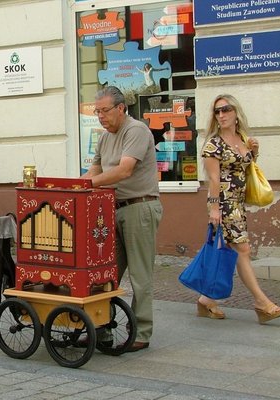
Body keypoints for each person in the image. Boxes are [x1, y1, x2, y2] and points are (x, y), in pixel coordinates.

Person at [82, 86, 162, 352]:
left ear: (120, 108)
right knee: (105, 274)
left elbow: (124, 170)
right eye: (97, 112)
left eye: (105, 111)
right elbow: (95, 168)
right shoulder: (105, 137)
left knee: (140, 275)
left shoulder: (136, 130)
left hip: (139, 207)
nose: (101, 117)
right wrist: (69, 186)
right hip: (111, 210)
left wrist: (90, 183)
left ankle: (141, 332)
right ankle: (100, 329)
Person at [198, 94, 280, 323]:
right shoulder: (213, 145)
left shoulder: (243, 139)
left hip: (238, 203)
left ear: (236, 112)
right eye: (217, 111)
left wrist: (254, 152)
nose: (221, 114)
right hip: (225, 204)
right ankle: (261, 303)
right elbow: (214, 180)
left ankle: (206, 301)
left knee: (229, 252)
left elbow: (246, 168)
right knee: (242, 250)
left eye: (226, 109)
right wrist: (214, 210)